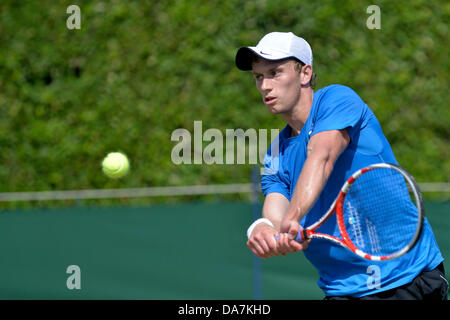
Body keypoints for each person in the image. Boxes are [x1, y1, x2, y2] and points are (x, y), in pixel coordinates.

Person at [235, 31, 448, 299]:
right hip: (342, 290)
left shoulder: (337, 99)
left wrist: (292, 218)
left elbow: (321, 156)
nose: (265, 85)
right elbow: (276, 213)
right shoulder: (275, 155)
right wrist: (263, 229)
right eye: (258, 77)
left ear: (305, 74)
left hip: (407, 279)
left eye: (275, 72)